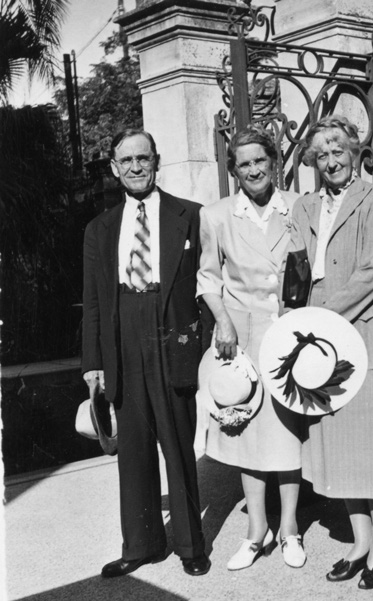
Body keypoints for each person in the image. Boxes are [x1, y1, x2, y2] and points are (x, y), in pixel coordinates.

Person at [82, 129, 211, 578]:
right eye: (126, 161)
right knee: (133, 447)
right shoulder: (99, 229)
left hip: (170, 332)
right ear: (115, 168)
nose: (136, 166)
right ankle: (141, 544)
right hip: (122, 335)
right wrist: (93, 364)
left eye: (143, 157)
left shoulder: (190, 215)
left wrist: (205, 348)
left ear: (157, 160)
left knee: (177, 443)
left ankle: (191, 546)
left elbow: (209, 286)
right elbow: (93, 302)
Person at [289, 115, 373, 590]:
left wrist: (320, 315)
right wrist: (293, 322)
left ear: (355, 151)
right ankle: (358, 540)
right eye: (322, 153)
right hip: (317, 341)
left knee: (371, 449)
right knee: (335, 444)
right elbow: (294, 272)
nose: (331, 160)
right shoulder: (304, 205)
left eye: (339, 149)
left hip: (361, 333)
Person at [196, 124, 306, 570]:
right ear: (234, 171)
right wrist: (222, 322)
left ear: (274, 162)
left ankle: (291, 530)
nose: (254, 170)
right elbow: (208, 278)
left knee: (288, 433)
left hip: (291, 335)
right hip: (239, 336)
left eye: (261, 160)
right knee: (245, 432)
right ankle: (256, 530)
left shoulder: (299, 206)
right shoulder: (217, 215)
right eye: (245, 164)